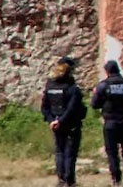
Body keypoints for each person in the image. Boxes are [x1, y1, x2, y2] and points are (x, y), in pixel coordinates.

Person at [91, 60, 123, 186]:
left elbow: (94, 104)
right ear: (118, 69)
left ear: (107, 71)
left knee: (112, 152)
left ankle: (116, 180)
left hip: (111, 124)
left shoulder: (103, 85)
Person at [41, 56, 86, 187]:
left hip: (56, 124)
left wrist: (52, 121)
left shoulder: (50, 86)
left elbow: (45, 107)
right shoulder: (72, 89)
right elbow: (72, 108)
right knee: (70, 152)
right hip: (70, 124)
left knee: (60, 151)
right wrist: (61, 120)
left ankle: (61, 179)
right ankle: (69, 180)